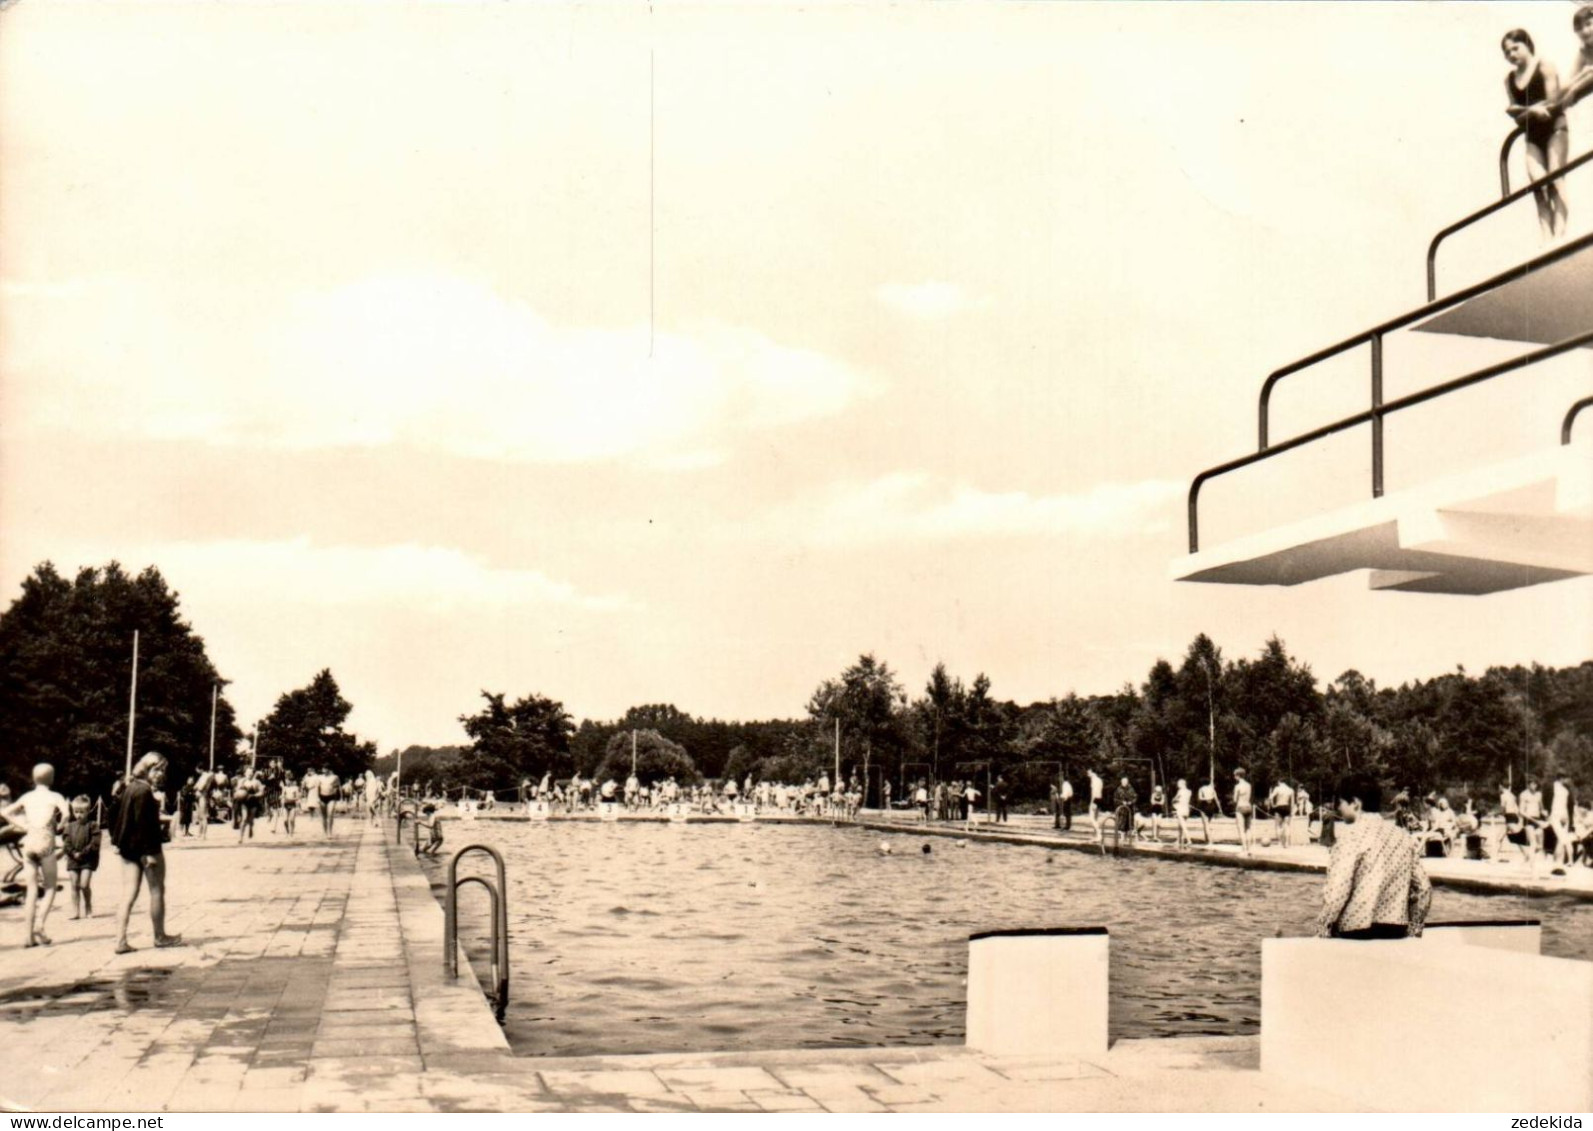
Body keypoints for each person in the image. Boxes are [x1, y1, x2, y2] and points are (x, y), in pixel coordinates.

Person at [1316, 772, 1432, 940]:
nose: (1338, 808)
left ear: (1355, 803)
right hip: (1396, 930)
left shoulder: (1350, 837)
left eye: (1340, 802)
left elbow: (1338, 891)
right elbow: (1423, 888)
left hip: (1355, 931)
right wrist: (1414, 928)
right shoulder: (1401, 836)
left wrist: (1322, 928)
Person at [1502, 28, 1569, 241]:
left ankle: (1559, 235)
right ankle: (1547, 237)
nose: (1512, 55)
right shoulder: (1510, 80)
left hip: (1554, 128)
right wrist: (1530, 110)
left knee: (1555, 179)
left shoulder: (1544, 65)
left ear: (1527, 44)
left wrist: (1522, 110)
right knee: (1537, 185)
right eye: (1507, 52)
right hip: (1532, 135)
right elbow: (1516, 118)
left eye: (1515, 48)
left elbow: (1552, 102)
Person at [112, 752, 181, 954]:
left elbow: (115, 816)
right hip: (147, 849)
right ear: (147, 768)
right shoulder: (144, 792)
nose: (160, 774)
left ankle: (120, 940)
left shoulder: (129, 788)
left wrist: (117, 842)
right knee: (157, 890)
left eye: (162, 770)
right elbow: (144, 825)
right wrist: (149, 853)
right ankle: (160, 936)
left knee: (128, 895)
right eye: (157, 769)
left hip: (128, 850)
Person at [1, 764, 72, 947]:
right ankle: (40, 924)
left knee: (31, 890)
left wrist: (21, 825)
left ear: (33, 778)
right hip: (46, 841)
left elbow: (4, 812)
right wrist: (60, 826)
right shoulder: (55, 796)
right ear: (51, 778)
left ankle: (28, 937)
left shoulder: (27, 797)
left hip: (30, 842)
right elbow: (66, 814)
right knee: (50, 887)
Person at [62, 796, 101, 920]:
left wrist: (82, 853)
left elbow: (95, 843)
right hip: (73, 859)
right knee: (74, 885)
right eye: (76, 812)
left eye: (81, 812)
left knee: (84, 884)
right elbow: (66, 843)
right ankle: (75, 911)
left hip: (87, 859)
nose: (78, 815)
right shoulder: (69, 826)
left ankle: (88, 907)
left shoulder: (93, 825)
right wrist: (73, 853)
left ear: (88, 811)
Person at [1559, 6, 1593, 113]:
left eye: (1588, 24)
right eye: (1579, 28)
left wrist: (1574, 89)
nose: (1584, 31)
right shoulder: (1583, 52)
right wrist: (1583, 74)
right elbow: (1564, 86)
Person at [1232, 769, 1255, 855]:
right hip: (1248, 806)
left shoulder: (1237, 786)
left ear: (1238, 776)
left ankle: (1244, 849)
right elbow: (1249, 797)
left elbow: (1235, 799)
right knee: (1248, 828)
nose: (1234, 777)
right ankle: (1249, 849)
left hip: (1240, 807)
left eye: (1235, 776)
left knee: (1241, 829)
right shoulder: (1249, 785)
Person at [1268, 779, 1295, 847]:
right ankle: (1287, 843)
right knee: (1287, 826)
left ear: (1279, 782)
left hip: (1279, 806)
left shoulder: (1277, 788)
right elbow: (1292, 802)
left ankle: (1280, 842)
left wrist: (1273, 805)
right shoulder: (1290, 790)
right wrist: (1291, 811)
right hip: (1287, 807)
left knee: (1278, 826)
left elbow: (1270, 797)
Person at [1113, 776, 1138, 844]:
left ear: (1127, 782)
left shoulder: (1131, 789)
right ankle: (1122, 837)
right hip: (1121, 810)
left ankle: (1126, 837)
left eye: (1125, 782)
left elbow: (1135, 798)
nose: (1124, 783)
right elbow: (1115, 799)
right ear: (1121, 782)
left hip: (1130, 809)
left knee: (1129, 824)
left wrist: (1130, 802)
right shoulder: (1118, 789)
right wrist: (1121, 802)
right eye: (1123, 782)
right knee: (1121, 824)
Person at [1195, 779, 1221, 845]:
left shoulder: (1201, 789)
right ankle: (1206, 839)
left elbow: (1200, 798)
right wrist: (1220, 808)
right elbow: (1216, 799)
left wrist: (1206, 798)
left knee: (1206, 825)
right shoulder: (1212, 789)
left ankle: (1209, 841)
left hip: (1204, 806)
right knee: (1208, 824)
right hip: (1212, 806)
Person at [317, 768, 340, 837]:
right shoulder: (320, 777)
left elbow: (337, 788)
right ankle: (325, 832)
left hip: (331, 797)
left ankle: (329, 832)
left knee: (330, 814)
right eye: (323, 769)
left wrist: (336, 798)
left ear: (329, 769)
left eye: (325, 769)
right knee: (324, 816)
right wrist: (317, 798)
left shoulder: (334, 777)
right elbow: (317, 788)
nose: (324, 770)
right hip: (322, 797)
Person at [1172, 778, 1194, 849]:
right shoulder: (1189, 791)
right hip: (1186, 809)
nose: (1177, 785)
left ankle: (1189, 840)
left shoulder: (1180, 791)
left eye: (1178, 784)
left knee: (1183, 826)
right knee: (1180, 825)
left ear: (1182, 784)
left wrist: (1174, 800)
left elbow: (1174, 799)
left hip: (1180, 809)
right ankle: (1179, 840)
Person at [1088, 769, 1105, 843]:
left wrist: (1091, 802)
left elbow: (1094, 792)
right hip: (1100, 799)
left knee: (1092, 819)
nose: (1088, 775)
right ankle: (1096, 835)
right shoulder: (1100, 780)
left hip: (1095, 799)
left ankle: (1099, 834)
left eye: (1088, 773)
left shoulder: (1094, 780)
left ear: (1092, 772)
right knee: (1096, 818)